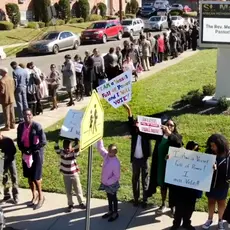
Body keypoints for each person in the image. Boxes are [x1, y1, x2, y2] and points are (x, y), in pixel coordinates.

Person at [17, 109, 47, 210]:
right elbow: (18, 140)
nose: (27, 117)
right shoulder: (21, 126)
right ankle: (34, 196)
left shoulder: (37, 126)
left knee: (36, 177)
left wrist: (32, 149)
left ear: (32, 115)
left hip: (36, 154)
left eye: (29, 115)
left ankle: (41, 197)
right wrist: (23, 149)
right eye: (25, 115)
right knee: (29, 177)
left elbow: (43, 142)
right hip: (25, 154)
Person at [123, 104, 151, 208]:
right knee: (135, 179)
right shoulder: (134, 133)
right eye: (136, 122)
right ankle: (136, 198)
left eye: (139, 122)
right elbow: (130, 122)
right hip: (135, 160)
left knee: (145, 180)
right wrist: (129, 110)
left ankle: (145, 199)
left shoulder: (146, 134)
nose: (137, 124)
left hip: (144, 160)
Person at [170, 141, 202, 230]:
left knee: (190, 208)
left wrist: (212, 168)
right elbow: (170, 164)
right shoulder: (180, 157)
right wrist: (168, 158)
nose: (194, 151)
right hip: (180, 189)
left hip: (192, 190)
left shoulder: (200, 160)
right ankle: (176, 224)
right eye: (193, 149)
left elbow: (204, 171)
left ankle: (186, 223)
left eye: (196, 149)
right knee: (179, 208)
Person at [202, 134, 230, 230]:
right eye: (211, 145)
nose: (212, 147)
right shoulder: (209, 153)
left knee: (222, 202)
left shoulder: (228, 154)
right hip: (210, 183)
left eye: (214, 145)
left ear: (220, 145)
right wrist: (210, 165)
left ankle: (220, 220)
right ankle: (209, 219)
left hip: (223, 184)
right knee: (211, 201)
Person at [157, 118, 183, 214]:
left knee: (172, 188)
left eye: (171, 125)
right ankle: (163, 203)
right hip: (162, 165)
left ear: (174, 127)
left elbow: (179, 145)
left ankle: (173, 206)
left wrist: (170, 134)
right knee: (163, 186)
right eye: (167, 124)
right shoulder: (160, 137)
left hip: (173, 167)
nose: (169, 126)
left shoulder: (177, 137)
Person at [55, 139, 86, 212]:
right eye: (65, 148)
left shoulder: (73, 153)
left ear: (71, 147)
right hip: (66, 175)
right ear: (63, 147)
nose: (67, 149)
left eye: (68, 148)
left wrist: (77, 142)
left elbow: (78, 150)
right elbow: (56, 149)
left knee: (78, 189)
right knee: (68, 191)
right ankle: (70, 204)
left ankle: (81, 202)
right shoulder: (62, 153)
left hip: (74, 174)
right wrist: (57, 141)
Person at [97, 139, 120, 222]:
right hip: (106, 183)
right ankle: (110, 211)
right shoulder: (106, 156)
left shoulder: (115, 162)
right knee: (109, 198)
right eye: (108, 151)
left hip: (112, 184)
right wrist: (99, 139)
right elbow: (100, 149)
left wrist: (108, 182)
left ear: (115, 152)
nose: (109, 153)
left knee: (114, 198)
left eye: (111, 151)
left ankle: (115, 212)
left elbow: (116, 176)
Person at [0, 132, 19, 204]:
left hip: (11, 160)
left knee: (14, 177)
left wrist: (7, 156)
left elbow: (14, 151)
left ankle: (15, 195)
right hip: (2, 161)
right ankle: (7, 195)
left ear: (1, 134)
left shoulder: (8, 140)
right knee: (5, 178)